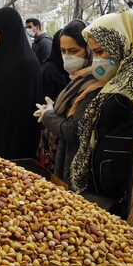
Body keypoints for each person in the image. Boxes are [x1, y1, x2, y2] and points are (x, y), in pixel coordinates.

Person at [47, 10, 133, 217]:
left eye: (101, 52)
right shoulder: (124, 73)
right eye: (94, 52)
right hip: (109, 185)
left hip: (123, 193)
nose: (96, 59)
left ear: (122, 43)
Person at [35, 20, 104, 182]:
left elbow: (75, 131)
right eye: (63, 51)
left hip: (72, 162)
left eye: (74, 51)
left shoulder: (94, 83)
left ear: (89, 50)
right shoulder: (77, 79)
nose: (67, 57)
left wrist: (49, 116)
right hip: (60, 155)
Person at [0, 7, 41, 160]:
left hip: (10, 147)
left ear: (7, 31)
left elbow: (21, 114)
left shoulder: (25, 64)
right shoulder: (5, 59)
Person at [40, 29, 69, 100]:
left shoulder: (76, 67)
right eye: (62, 50)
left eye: (73, 50)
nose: (67, 54)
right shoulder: (49, 70)